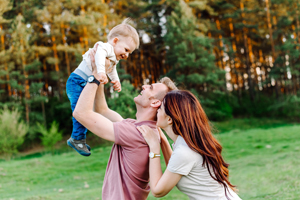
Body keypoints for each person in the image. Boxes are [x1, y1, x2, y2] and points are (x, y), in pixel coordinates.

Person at [72, 46, 178, 199]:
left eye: (150, 87)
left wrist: (94, 75)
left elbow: (81, 113)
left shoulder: (136, 134)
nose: (144, 86)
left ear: (155, 102)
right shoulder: (137, 128)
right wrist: (102, 72)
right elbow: (102, 110)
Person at [137, 90, 242, 200]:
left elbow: (157, 191)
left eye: (160, 108)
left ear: (169, 119)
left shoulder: (184, 152)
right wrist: (161, 137)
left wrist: (154, 148)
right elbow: (173, 165)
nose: (157, 110)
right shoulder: (187, 144)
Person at [66, 18, 139, 156]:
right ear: (116, 41)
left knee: (90, 110)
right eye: (126, 50)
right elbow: (99, 57)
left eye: (130, 52)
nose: (127, 55)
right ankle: (77, 138)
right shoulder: (103, 47)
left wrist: (115, 80)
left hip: (85, 81)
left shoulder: (113, 57)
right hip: (76, 81)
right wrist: (100, 72)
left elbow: (111, 69)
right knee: (80, 110)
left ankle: (78, 137)